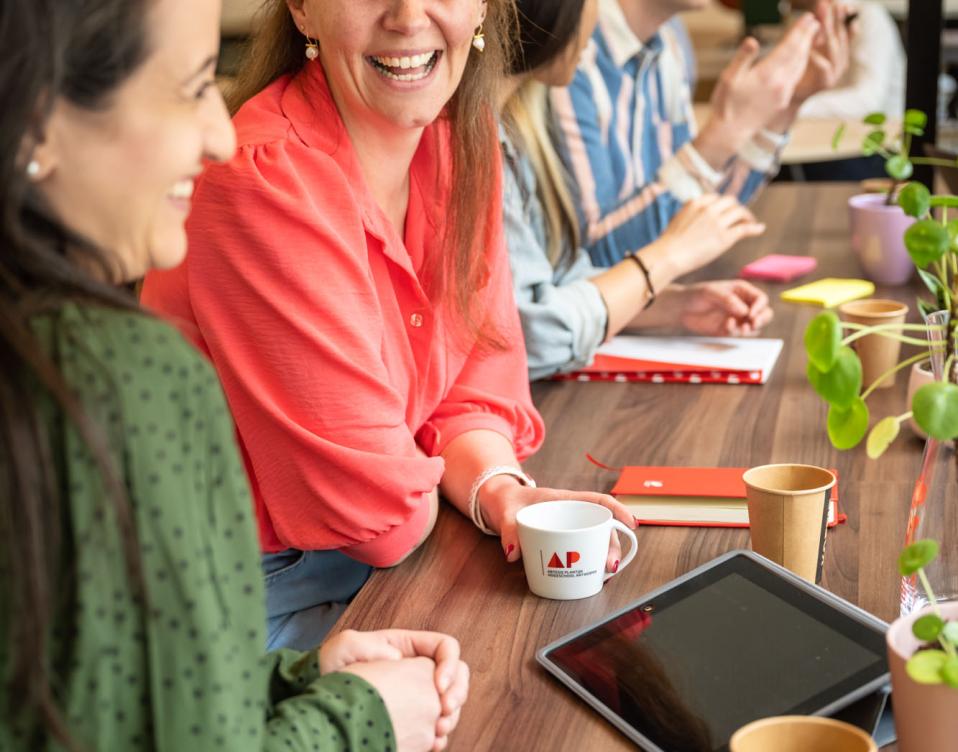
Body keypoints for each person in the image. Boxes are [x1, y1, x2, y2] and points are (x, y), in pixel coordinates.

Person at [0, 0, 468, 749]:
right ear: (39, 125)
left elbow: (86, 689)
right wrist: (360, 720)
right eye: (191, 89)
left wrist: (287, 682)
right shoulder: (123, 374)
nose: (220, 135)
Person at [141, 0, 637, 651]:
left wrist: (499, 491)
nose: (408, 16)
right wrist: (425, 472)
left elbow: (473, 387)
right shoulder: (262, 181)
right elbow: (380, 517)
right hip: (236, 604)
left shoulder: (462, 138)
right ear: (303, 10)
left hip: (382, 563)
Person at [502, 0, 774, 380]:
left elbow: (555, 272)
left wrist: (671, 304)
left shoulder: (672, 43)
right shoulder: (565, 67)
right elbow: (532, 331)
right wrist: (666, 258)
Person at [552, 0, 852, 266]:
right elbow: (593, 261)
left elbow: (695, 210)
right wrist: (727, 130)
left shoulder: (671, 44)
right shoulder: (567, 58)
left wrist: (788, 104)